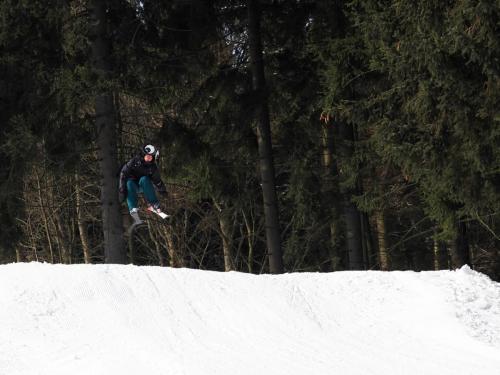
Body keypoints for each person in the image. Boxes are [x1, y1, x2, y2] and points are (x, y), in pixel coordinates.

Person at [119, 144, 168, 224]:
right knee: (129, 183)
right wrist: (121, 190)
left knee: (144, 179)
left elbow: (157, 180)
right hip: (132, 185)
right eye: (147, 156)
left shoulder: (152, 168)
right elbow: (123, 173)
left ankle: (153, 204)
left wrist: (162, 190)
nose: (149, 158)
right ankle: (133, 208)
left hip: (143, 185)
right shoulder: (134, 161)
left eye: (151, 157)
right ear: (144, 154)